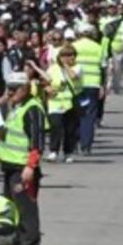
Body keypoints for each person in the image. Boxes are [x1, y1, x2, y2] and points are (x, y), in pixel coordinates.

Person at [0, 72, 46, 245]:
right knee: (12, 210)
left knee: (26, 211)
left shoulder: (33, 109)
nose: (9, 92)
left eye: (13, 89)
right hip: (10, 167)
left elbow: (37, 143)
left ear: (25, 89)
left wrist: (30, 167)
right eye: (8, 88)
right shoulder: (15, 107)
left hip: (23, 168)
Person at [72, 23, 104, 156]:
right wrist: (102, 85)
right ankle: (86, 146)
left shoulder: (73, 46)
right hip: (93, 85)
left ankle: (74, 142)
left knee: (76, 114)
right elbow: (103, 67)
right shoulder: (98, 47)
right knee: (89, 116)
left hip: (76, 85)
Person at [46, 42, 80, 163]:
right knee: (56, 126)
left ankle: (68, 152)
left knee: (70, 129)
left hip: (70, 103)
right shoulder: (52, 69)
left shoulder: (77, 67)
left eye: (70, 55)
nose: (68, 57)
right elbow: (46, 82)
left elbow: (74, 76)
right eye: (64, 55)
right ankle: (53, 151)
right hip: (55, 103)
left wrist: (66, 66)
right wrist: (47, 89)